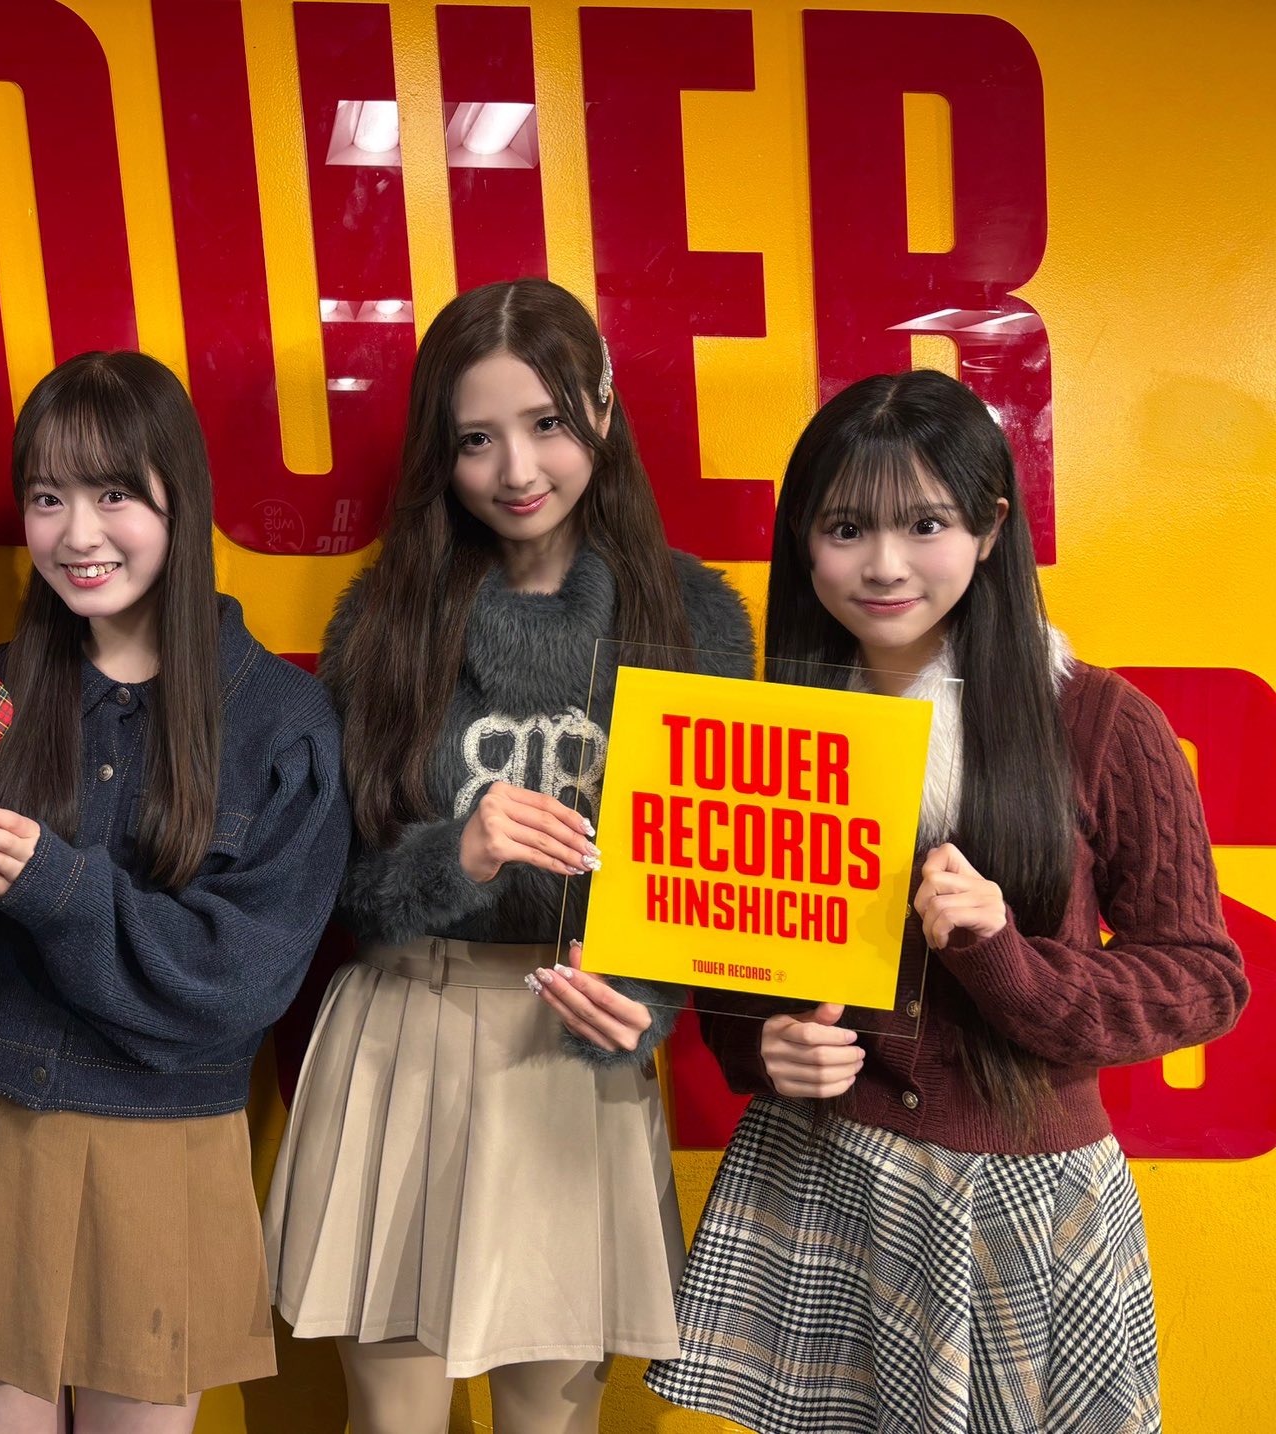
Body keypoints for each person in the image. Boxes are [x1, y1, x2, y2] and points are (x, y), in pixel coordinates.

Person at [645, 369, 1248, 1433]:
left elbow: (1203, 980)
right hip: (825, 1170)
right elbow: (730, 970)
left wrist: (1003, 952)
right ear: (802, 541)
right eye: (845, 528)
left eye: (923, 524)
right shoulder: (770, 728)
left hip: (1026, 1197)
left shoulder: (1098, 722)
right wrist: (762, 1046)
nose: (883, 565)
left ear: (988, 528)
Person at [264, 278, 754, 1433]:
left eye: (545, 424)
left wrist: (639, 997)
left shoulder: (691, 620)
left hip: (573, 1051)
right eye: (475, 439)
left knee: (552, 1415)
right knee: (392, 1418)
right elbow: (332, 884)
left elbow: (717, 882)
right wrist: (456, 853)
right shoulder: (384, 617)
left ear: (601, 409)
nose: (515, 469)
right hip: (405, 1030)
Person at [0, 350, 350, 1433]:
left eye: (114, 493)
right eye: (48, 498)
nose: (78, 534)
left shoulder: (281, 722)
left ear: (182, 498)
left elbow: (239, 985)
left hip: (163, 1149)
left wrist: (55, 885)